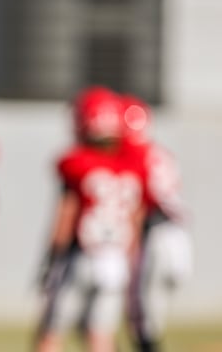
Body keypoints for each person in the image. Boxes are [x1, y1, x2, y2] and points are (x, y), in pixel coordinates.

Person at [34, 86, 146, 352]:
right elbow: (135, 221)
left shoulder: (76, 162)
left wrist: (50, 260)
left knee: (51, 332)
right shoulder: (132, 165)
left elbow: (66, 217)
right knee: (101, 336)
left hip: (82, 257)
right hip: (116, 260)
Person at [121, 94, 193, 352]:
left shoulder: (133, 153)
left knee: (141, 304)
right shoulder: (160, 152)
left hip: (154, 230)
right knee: (152, 299)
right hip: (177, 232)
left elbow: (141, 200)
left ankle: (146, 343)